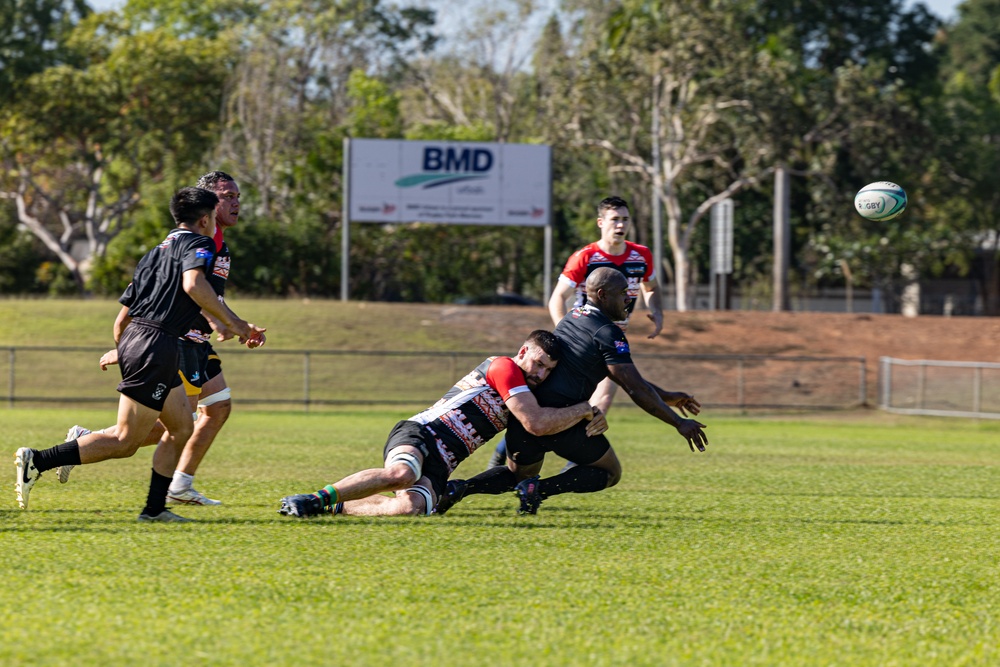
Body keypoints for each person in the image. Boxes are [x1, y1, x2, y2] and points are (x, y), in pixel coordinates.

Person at [14, 187, 266, 522]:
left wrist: (128, 348)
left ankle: (154, 509)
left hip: (146, 343)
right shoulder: (200, 243)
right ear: (205, 220)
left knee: (180, 428)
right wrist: (233, 323)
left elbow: (124, 317)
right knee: (125, 440)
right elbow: (194, 285)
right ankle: (39, 460)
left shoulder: (153, 254)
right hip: (157, 345)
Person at [437, 267, 705, 516]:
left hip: (530, 414)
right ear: (602, 295)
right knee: (610, 473)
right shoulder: (608, 333)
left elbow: (629, 380)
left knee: (517, 475)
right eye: (623, 294)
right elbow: (635, 388)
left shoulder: (572, 318)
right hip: (563, 421)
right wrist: (679, 422)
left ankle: (459, 489)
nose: (628, 300)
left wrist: (668, 396)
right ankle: (539, 491)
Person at [277, 330, 607, 518]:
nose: (540, 373)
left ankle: (336, 506)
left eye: (548, 370)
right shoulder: (504, 366)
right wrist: (584, 409)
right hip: (422, 433)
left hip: (444, 462)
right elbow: (535, 422)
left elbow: (545, 421)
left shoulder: (528, 391)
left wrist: (587, 415)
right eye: (538, 363)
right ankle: (312, 498)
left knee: (411, 507)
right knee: (402, 474)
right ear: (523, 351)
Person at [486, 195, 663, 468]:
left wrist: (657, 311)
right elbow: (557, 298)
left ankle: (579, 464)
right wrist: (567, 334)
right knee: (553, 402)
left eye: (625, 219)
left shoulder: (641, 255)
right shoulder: (586, 256)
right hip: (578, 343)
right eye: (615, 219)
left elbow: (650, 288)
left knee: (601, 402)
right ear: (600, 222)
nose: (621, 225)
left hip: (612, 342)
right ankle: (507, 450)